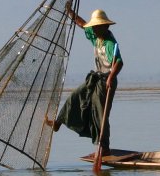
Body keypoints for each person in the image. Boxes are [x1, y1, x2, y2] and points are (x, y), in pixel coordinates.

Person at [48, 8, 123, 154]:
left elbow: (119, 62)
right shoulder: (96, 36)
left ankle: (104, 148)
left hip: (106, 81)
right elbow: (82, 24)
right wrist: (70, 12)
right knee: (75, 96)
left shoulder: (109, 43)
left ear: (104, 26)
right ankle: (58, 123)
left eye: (96, 27)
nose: (93, 29)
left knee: (100, 113)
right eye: (93, 27)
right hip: (95, 78)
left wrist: (111, 78)